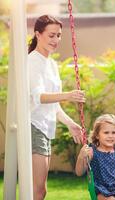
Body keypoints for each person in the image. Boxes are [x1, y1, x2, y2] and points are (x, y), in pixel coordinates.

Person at [28, 15, 85, 200]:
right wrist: (69, 95)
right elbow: (39, 97)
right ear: (38, 34)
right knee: (39, 190)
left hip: (45, 129)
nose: (56, 40)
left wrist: (70, 123)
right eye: (51, 35)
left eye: (59, 35)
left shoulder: (52, 64)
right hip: (33, 125)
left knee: (39, 190)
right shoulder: (32, 61)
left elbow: (54, 105)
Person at [76, 114, 115, 200]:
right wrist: (81, 156)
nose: (110, 136)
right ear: (97, 135)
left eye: (113, 132)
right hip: (102, 190)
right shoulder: (92, 151)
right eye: (106, 132)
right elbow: (79, 172)